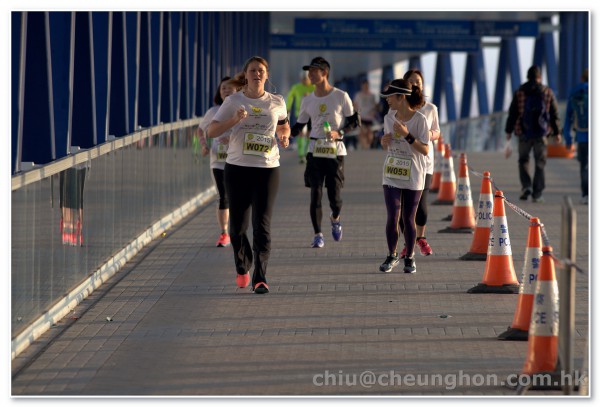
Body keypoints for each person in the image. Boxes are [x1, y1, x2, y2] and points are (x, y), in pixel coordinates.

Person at [207, 56, 290, 294]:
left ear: (267, 75)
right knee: (237, 227)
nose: (257, 74)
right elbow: (212, 131)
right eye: (253, 70)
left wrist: (284, 136)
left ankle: (260, 277)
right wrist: (235, 119)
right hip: (238, 169)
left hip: (267, 169)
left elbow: (284, 125)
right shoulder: (233, 101)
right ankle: (242, 265)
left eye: (261, 70)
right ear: (246, 75)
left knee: (262, 225)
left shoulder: (277, 101)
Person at [290, 56, 361, 248]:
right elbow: (299, 126)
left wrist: (340, 132)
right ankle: (317, 234)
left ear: (325, 72)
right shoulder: (307, 100)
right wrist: (285, 135)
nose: (310, 74)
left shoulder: (341, 96)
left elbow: (354, 122)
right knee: (315, 193)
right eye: (309, 71)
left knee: (335, 198)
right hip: (314, 150)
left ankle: (335, 217)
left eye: (314, 71)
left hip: (335, 152)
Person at [378, 78, 429, 274]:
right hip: (392, 172)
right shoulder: (388, 117)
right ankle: (392, 255)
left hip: (413, 173)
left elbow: (425, 150)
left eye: (390, 96)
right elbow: (387, 145)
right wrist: (384, 142)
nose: (387, 99)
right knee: (393, 216)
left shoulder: (420, 120)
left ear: (401, 97)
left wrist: (407, 135)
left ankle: (409, 257)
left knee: (408, 219)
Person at [397, 69, 441, 257]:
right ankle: (408, 243)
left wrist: (428, 134)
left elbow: (437, 132)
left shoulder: (430, 108)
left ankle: (421, 238)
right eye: (412, 81)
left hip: (425, 162)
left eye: (419, 82)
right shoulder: (398, 107)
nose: (415, 84)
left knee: (421, 205)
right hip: (403, 162)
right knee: (403, 208)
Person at [505, 65, 561, 203]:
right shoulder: (547, 92)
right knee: (540, 163)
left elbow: (513, 113)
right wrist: (557, 132)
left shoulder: (520, 92)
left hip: (523, 132)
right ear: (539, 77)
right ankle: (537, 194)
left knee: (523, 160)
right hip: (541, 134)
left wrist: (508, 131)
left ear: (528, 76)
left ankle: (526, 187)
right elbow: (554, 114)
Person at [198, 76, 240, 247]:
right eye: (223, 88)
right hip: (218, 160)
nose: (226, 90)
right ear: (219, 92)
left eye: (230, 87)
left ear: (237, 90)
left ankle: (238, 229)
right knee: (223, 196)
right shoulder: (213, 112)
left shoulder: (242, 110)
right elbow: (200, 130)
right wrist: (204, 145)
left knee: (237, 196)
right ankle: (224, 233)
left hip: (237, 160)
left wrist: (233, 139)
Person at [563, 68, 589, 205]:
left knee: (584, 166)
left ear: (581, 78)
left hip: (582, 136)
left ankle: (586, 195)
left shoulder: (575, 92)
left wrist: (568, 139)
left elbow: (568, 118)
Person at [286, 71, 315, 164]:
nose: (304, 81)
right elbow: (290, 97)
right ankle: (301, 154)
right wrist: (288, 107)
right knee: (300, 133)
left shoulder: (314, 87)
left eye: (306, 79)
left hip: (312, 114)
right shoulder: (296, 87)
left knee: (309, 133)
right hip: (300, 113)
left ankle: (307, 153)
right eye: (302, 79)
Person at [353, 79, 377, 149]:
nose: (365, 87)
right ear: (362, 86)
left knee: (369, 133)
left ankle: (368, 144)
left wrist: (374, 111)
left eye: (367, 86)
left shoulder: (372, 95)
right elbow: (354, 105)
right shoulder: (358, 95)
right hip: (361, 117)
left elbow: (375, 105)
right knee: (362, 132)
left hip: (369, 117)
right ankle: (364, 147)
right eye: (364, 86)